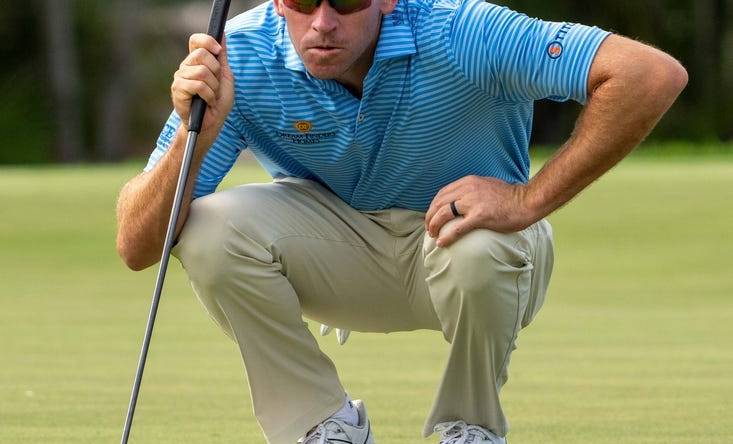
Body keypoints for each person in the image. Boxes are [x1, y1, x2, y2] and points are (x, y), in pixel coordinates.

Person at [115, 0, 687, 441]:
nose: (322, 24)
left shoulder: (465, 32)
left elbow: (649, 74)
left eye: (345, 4)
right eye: (301, 3)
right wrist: (199, 134)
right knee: (210, 226)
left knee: (480, 243)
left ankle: (472, 427)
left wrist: (527, 200)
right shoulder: (238, 56)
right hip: (341, 259)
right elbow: (138, 244)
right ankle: (321, 425)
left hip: (478, 254)